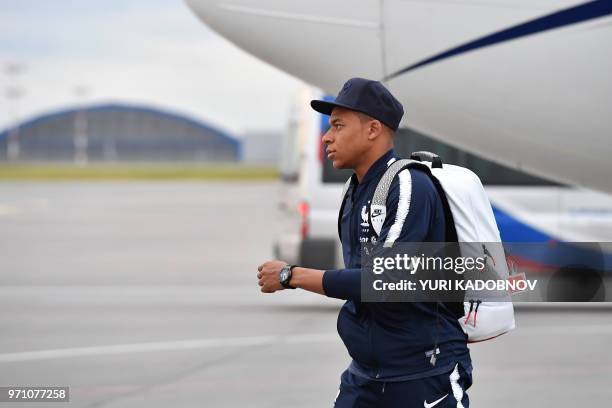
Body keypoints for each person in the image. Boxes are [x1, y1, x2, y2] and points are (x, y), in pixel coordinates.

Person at [257, 78, 472, 408]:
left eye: (338, 126)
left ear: (373, 129)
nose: (327, 137)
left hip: (424, 376)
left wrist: (291, 276)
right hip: (367, 376)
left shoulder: (409, 185)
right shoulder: (355, 191)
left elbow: (385, 280)